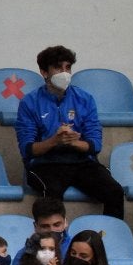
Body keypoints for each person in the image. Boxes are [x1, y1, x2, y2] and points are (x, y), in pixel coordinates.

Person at [15, 45, 123, 218]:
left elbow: (95, 144)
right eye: (58, 67)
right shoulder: (29, 102)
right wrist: (54, 141)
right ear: (44, 72)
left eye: (68, 68)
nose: (64, 73)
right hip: (44, 164)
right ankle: (51, 243)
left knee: (114, 191)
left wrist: (73, 142)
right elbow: (28, 149)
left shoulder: (85, 99)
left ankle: (108, 240)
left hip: (81, 162)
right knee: (51, 196)